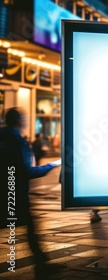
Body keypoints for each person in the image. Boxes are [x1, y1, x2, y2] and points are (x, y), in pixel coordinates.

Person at [0, 108, 62, 277]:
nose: (26, 121)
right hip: (16, 195)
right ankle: (41, 265)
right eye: (24, 118)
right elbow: (26, 172)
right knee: (31, 230)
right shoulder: (17, 141)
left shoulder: (3, 137)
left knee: (29, 228)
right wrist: (53, 164)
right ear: (19, 121)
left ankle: (41, 264)